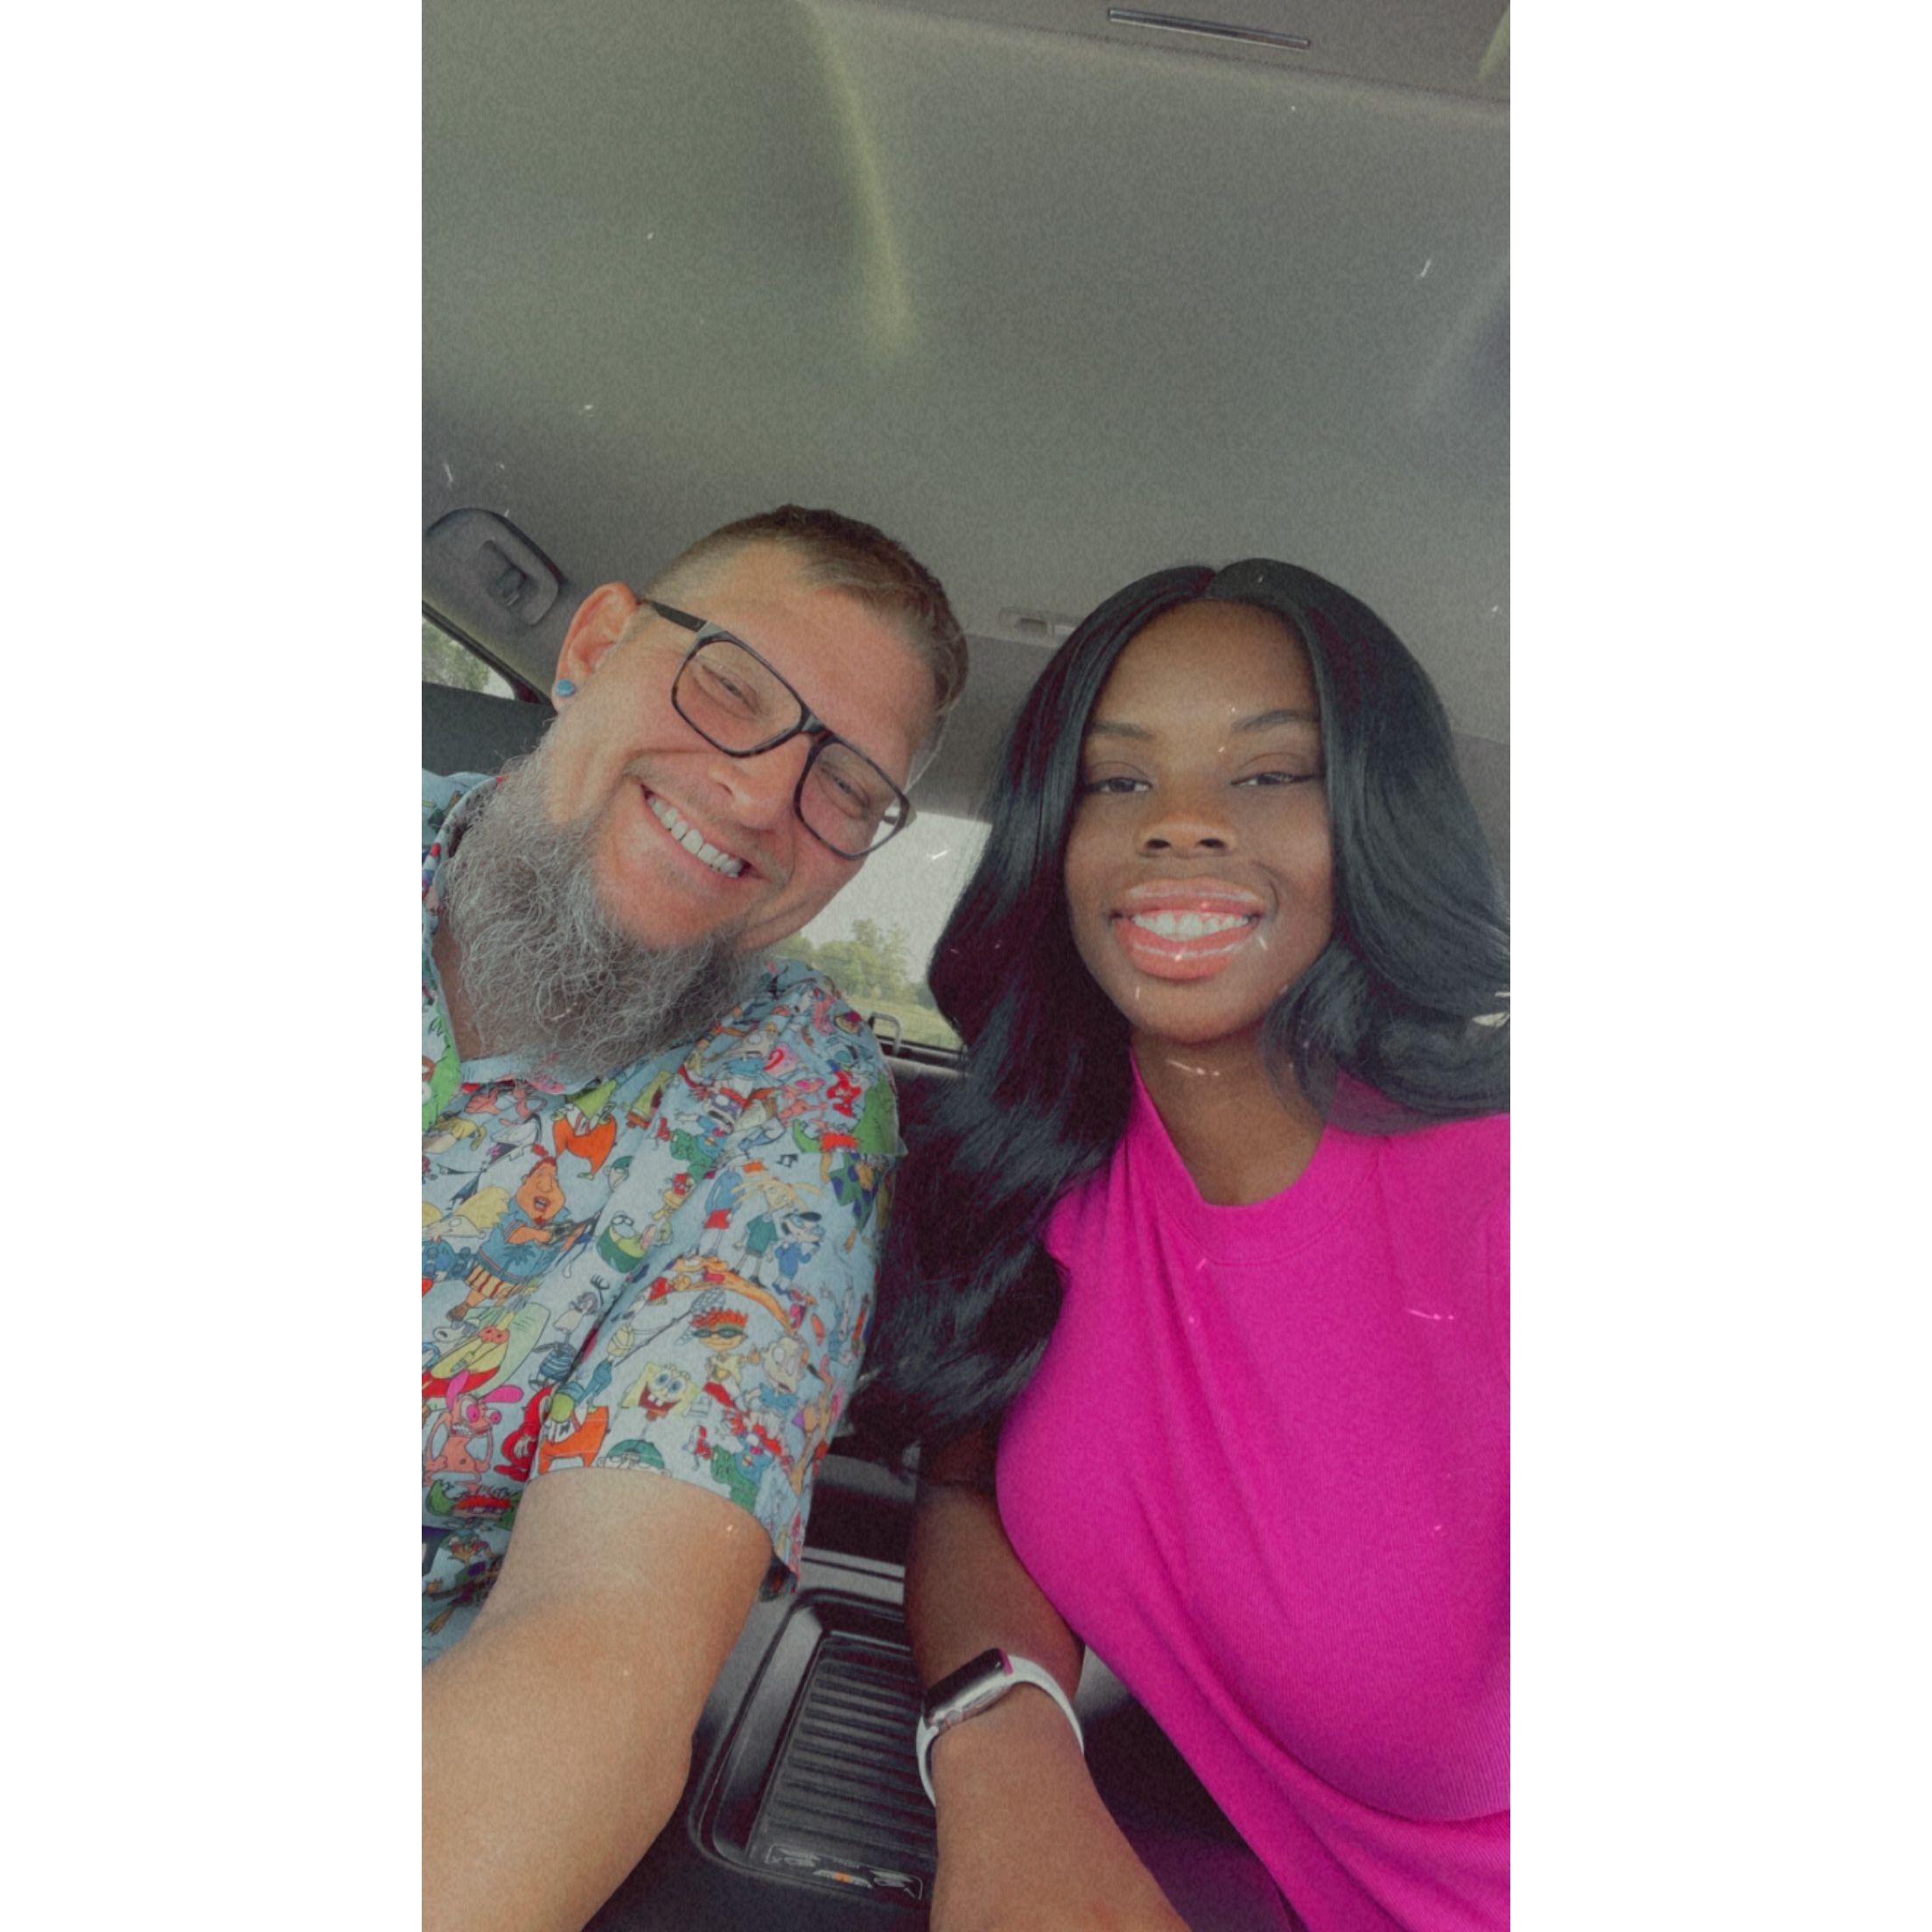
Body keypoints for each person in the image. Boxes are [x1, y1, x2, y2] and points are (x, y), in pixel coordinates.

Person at [870, 559, 1509, 1932]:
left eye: (1270, 774)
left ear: (1377, 820)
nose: (1181, 824)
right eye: (1117, 780)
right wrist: (1004, 1757)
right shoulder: (1031, 1174)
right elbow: (966, 1495)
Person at [421, 506, 966, 1932]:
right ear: (594, 646)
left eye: (846, 786)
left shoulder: (791, 1100)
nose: (762, 794)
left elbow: (608, 1636)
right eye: (730, 684)